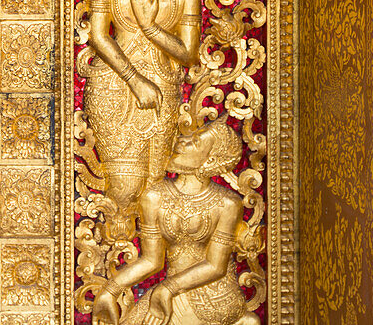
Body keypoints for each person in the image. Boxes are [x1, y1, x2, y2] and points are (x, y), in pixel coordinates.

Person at [85, 0, 209, 239]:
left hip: (163, 87)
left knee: (152, 189)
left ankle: (141, 262)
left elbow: (187, 54)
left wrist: (151, 26)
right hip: (117, 84)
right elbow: (99, 36)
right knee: (125, 187)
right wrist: (134, 80)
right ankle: (113, 243)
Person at [92, 120, 260, 325]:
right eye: (187, 136)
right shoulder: (154, 196)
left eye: (195, 142)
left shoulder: (227, 203)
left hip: (215, 297)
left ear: (209, 161)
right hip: (168, 291)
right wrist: (109, 292)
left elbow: (216, 266)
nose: (182, 140)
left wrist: (167, 289)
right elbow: (152, 261)